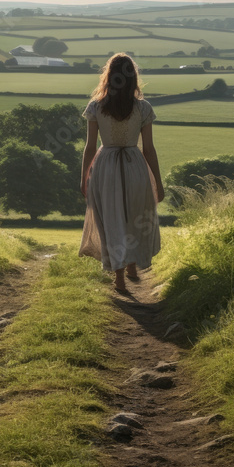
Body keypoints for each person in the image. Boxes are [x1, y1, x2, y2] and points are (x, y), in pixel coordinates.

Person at [78, 53, 164, 293]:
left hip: (104, 167)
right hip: (134, 164)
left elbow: (90, 147)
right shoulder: (143, 108)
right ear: (133, 77)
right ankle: (133, 265)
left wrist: (84, 177)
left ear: (109, 76)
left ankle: (119, 277)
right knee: (135, 216)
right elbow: (148, 149)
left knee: (112, 219)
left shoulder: (96, 106)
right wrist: (158, 182)